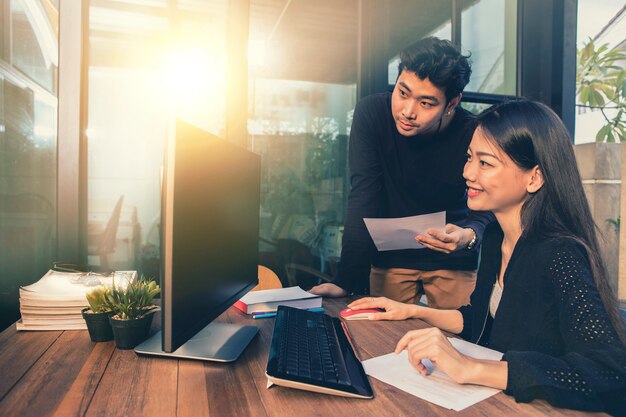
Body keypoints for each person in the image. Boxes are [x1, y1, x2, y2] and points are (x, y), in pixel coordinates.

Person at [348, 100, 626, 414]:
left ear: (534, 178)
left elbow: (611, 375)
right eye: (469, 158)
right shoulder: (496, 237)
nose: (467, 172)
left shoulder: (560, 252)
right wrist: (411, 311)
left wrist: (471, 368)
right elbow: (478, 318)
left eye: (485, 163)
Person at [310, 37, 493, 309]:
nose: (407, 111)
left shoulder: (473, 131)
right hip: (390, 258)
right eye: (402, 93)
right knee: (381, 339)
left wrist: (470, 235)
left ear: (452, 103)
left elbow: (490, 198)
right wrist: (345, 279)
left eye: (426, 103)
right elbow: (364, 195)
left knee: (460, 340)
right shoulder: (372, 114)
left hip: (452, 259)